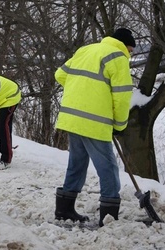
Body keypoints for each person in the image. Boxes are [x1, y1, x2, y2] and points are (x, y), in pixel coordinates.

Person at [53, 28, 135, 227]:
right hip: (94, 121)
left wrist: (82, 90)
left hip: (72, 117)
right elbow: (122, 96)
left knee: (77, 163)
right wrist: (120, 125)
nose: (131, 54)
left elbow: (60, 75)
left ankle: (64, 209)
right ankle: (109, 218)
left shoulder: (86, 50)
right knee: (107, 166)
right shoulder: (118, 57)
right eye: (131, 50)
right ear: (125, 45)